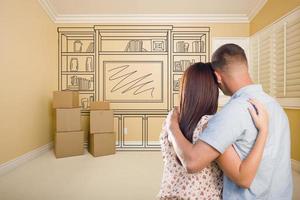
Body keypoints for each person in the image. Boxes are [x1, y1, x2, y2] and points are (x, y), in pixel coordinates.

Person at [166, 44, 293, 199]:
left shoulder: (230, 113)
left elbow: (192, 162)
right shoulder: (276, 108)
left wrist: (172, 126)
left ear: (217, 76)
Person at [158, 62, 269, 199]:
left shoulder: (171, 120)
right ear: (212, 91)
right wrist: (263, 130)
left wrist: (171, 126)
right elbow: (243, 177)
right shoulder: (211, 126)